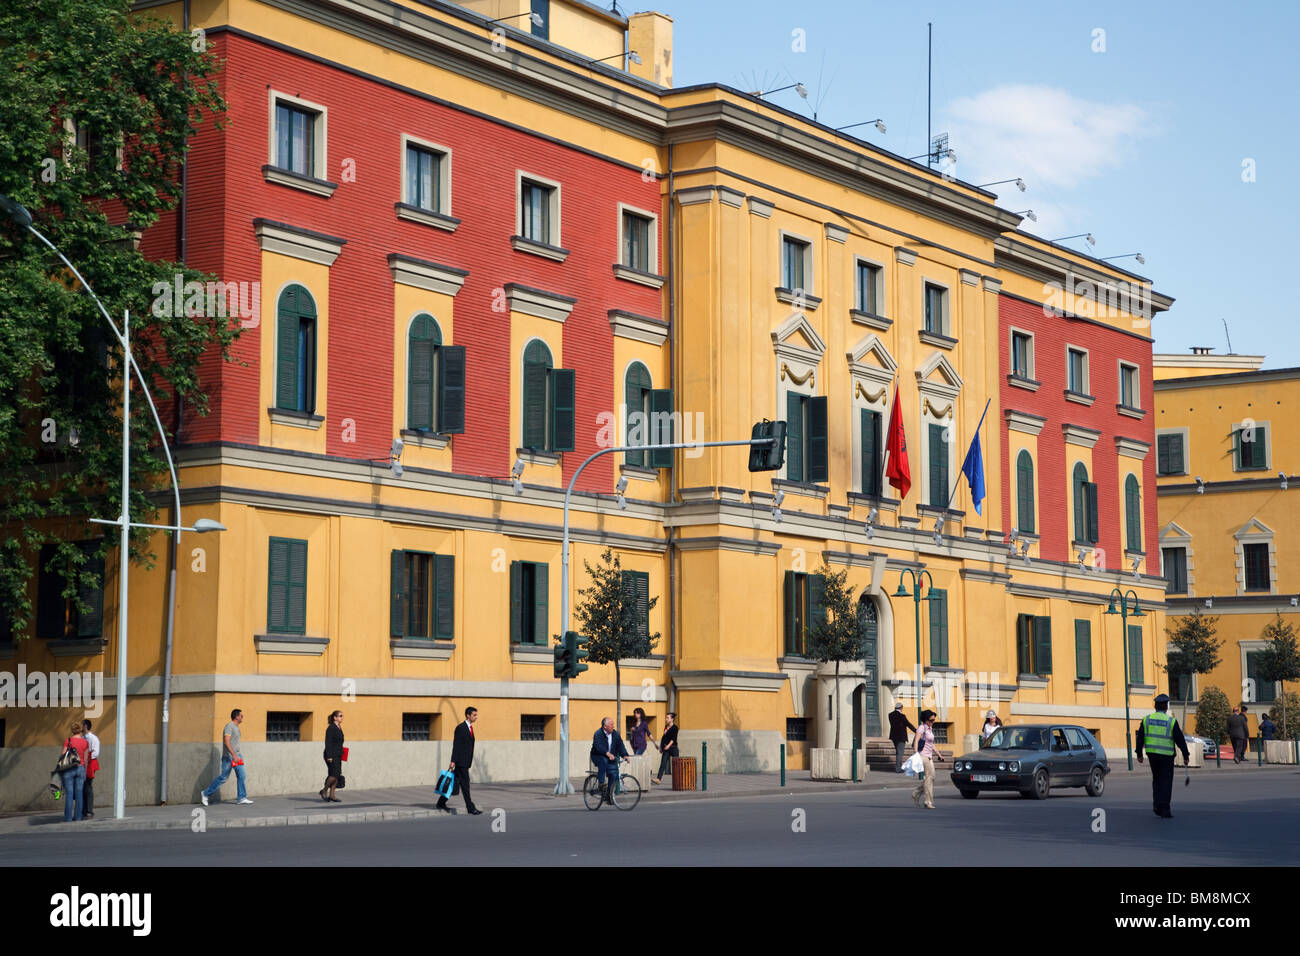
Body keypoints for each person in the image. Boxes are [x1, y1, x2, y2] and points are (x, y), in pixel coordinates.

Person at [1135, 693, 1191, 818]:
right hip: (1166, 755)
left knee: (1157, 780)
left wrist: (1139, 753)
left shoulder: (1147, 719)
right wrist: (1186, 755)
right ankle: (1164, 808)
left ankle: (1156, 805)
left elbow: (1140, 737)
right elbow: (1180, 740)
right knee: (1166, 781)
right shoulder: (1171, 721)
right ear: (1166, 706)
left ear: (1155, 706)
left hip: (1152, 754)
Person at [200, 708, 253, 806]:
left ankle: (241, 798)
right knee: (224, 777)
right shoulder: (229, 726)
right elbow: (226, 741)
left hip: (237, 755)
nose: (242, 717)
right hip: (229, 757)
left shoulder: (236, 727)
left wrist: (236, 755)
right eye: (241, 715)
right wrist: (233, 755)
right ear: (236, 716)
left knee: (242, 775)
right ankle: (205, 793)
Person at [438, 706, 481, 815]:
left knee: (453, 784)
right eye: (474, 715)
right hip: (461, 762)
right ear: (468, 715)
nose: (476, 717)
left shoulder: (470, 728)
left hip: (465, 761)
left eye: (476, 715)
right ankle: (470, 808)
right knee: (465, 785)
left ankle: (441, 802)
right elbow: (456, 745)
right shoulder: (461, 728)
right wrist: (453, 761)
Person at [591, 716, 629, 804]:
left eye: (613, 724)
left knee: (614, 773)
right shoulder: (598, 733)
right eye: (611, 724)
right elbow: (598, 746)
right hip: (597, 755)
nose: (613, 726)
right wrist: (607, 753)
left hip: (610, 756)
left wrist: (625, 755)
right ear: (605, 726)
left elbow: (620, 745)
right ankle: (601, 783)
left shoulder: (614, 734)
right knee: (603, 760)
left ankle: (609, 795)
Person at [911, 710, 943, 810]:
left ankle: (916, 792)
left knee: (932, 777)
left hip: (930, 756)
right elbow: (916, 740)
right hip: (923, 756)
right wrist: (916, 753)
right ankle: (928, 801)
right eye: (931, 720)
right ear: (926, 720)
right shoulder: (922, 728)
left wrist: (938, 754)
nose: (933, 722)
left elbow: (931, 743)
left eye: (934, 720)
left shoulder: (930, 728)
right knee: (928, 779)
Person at [58, 721, 90, 822]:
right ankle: (78, 817)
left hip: (69, 769)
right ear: (80, 729)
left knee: (69, 794)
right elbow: (86, 759)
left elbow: (62, 755)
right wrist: (85, 771)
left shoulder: (68, 741)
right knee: (79, 793)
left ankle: (68, 818)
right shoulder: (85, 742)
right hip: (80, 768)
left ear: (72, 730)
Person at [321, 710, 344, 803]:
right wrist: (329, 756)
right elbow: (328, 742)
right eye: (340, 716)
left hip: (338, 754)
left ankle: (332, 795)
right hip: (331, 755)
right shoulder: (331, 728)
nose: (342, 717)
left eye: (342, 716)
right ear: (335, 717)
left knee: (337, 775)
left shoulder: (339, 727)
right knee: (333, 775)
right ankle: (324, 790)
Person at [888, 703, 917, 773]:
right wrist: (916, 731)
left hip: (893, 736)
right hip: (901, 736)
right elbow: (908, 724)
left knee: (898, 752)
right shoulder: (902, 716)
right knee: (900, 753)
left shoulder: (890, 715)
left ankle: (898, 767)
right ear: (901, 708)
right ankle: (898, 769)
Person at [81, 719, 100, 819]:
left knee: (88, 786)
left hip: (90, 764)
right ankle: (84, 809)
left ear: (86, 726)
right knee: (83, 787)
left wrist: (85, 756)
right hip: (83, 763)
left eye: (82, 725)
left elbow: (96, 752)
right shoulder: (82, 738)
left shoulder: (93, 738)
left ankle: (89, 810)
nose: (81, 727)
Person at [654, 712, 679, 784]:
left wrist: (668, 746)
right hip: (666, 748)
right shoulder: (666, 727)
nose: (666, 719)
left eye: (668, 718)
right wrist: (661, 747)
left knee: (676, 764)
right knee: (663, 763)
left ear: (672, 719)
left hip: (673, 748)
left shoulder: (675, 728)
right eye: (666, 718)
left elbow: (674, 739)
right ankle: (658, 779)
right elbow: (664, 737)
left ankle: (678, 779)